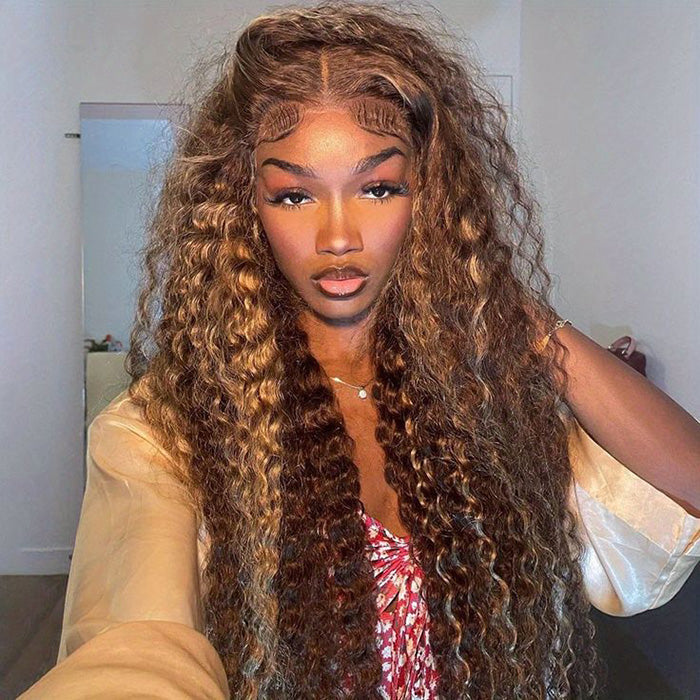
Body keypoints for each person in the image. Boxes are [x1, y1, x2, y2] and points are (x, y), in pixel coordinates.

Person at [21, 2, 700, 698]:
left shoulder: (484, 398)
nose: (338, 236)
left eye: (377, 188)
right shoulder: (162, 432)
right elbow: (136, 645)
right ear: (243, 206)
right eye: (294, 196)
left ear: (429, 198)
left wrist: (507, 308)